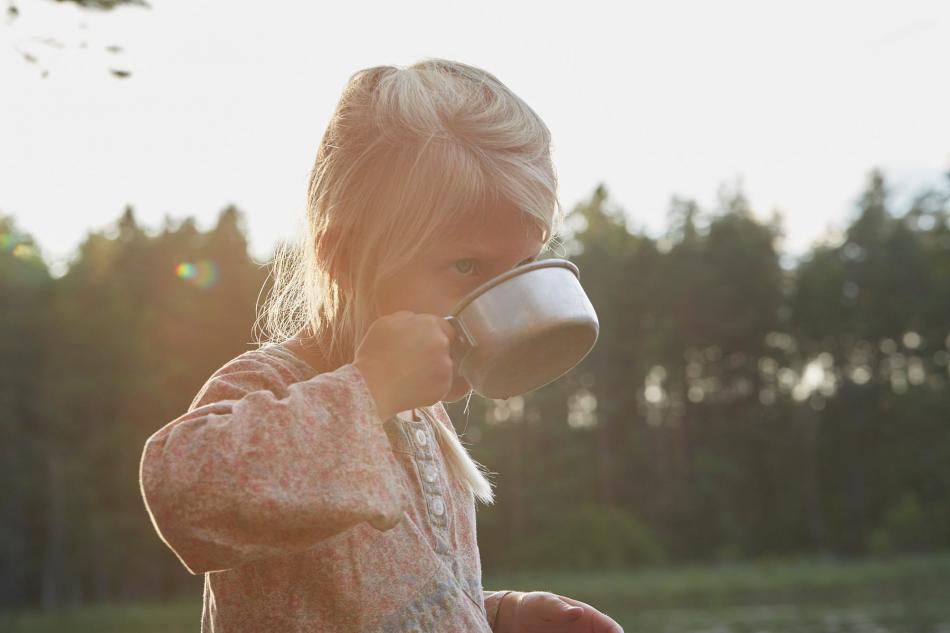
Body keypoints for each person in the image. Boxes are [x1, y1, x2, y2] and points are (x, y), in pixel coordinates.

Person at [139, 58, 624, 633]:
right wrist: (365, 392)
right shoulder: (281, 390)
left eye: (522, 265)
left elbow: (379, 604)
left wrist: (497, 614)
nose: (499, 294)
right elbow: (186, 494)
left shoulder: (422, 417)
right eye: (467, 264)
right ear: (343, 257)